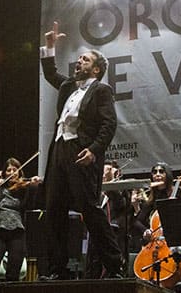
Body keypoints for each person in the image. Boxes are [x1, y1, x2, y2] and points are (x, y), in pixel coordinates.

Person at [39, 21, 122, 280]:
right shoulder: (68, 87)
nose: (78, 62)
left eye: (84, 60)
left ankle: (115, 265)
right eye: (79, 59)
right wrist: (50, 47)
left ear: (95, 68)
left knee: (89, 209)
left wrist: (94, 150)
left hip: (81, 151)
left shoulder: (101, 90)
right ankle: (58, 270)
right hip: (59, 150)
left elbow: (110, 124)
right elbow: (51, 74)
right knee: (54, 209)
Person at [0, 157, 40, 291]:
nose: (12, 172)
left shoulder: (23, 188)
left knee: (14, 272)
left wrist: (33, 188)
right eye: (9, 170)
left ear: (19, 173)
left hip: (17, 232)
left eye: (15, 169)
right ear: (4, 173)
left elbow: (29, 206)